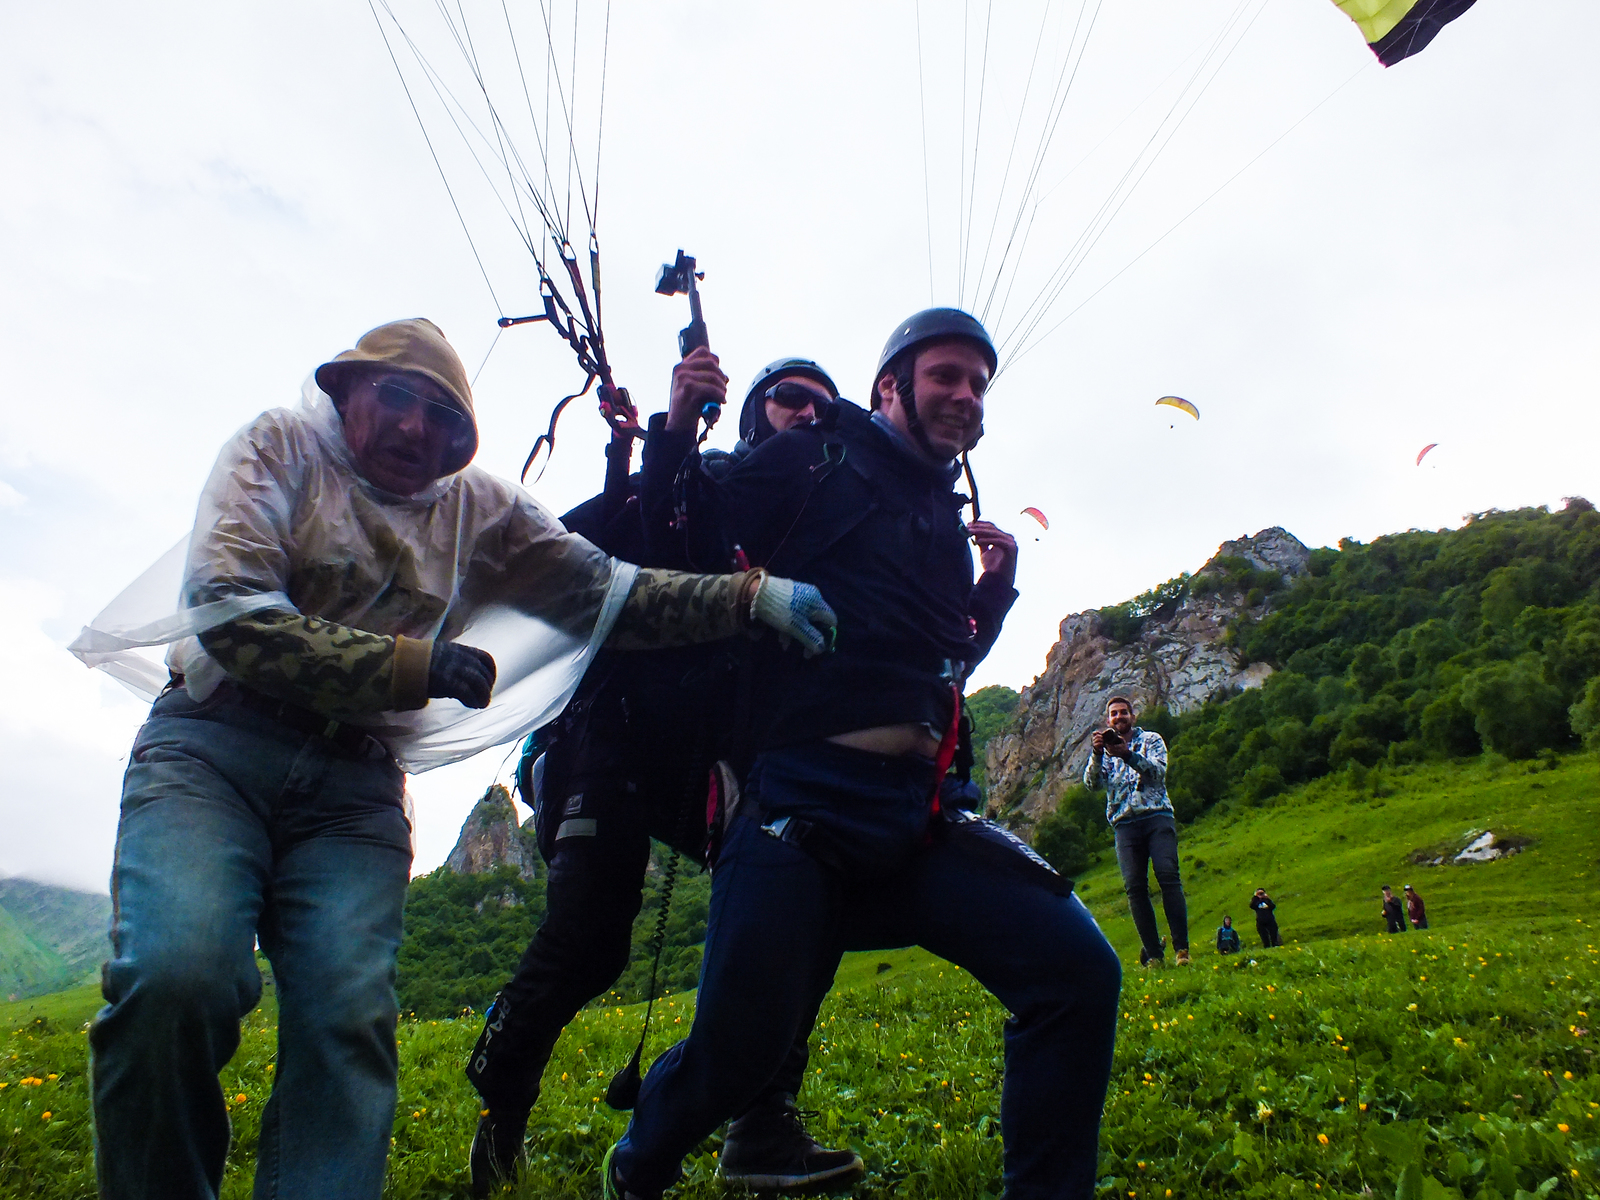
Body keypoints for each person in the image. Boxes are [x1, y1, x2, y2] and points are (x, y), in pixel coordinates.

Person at [80, 319, 838, 1200]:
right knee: (177, 977)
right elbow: (229, 610)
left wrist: (751, 597)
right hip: (214, 745)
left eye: (443, 416)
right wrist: (411, 664)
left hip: (355, 784)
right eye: (395, 398)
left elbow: (605, 589)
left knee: (346, 1020)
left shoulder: (479, 508)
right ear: (344, 392)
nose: (415, 428)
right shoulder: (276, 448)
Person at [601, 308, 1121, 1200]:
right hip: (803, 802)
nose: (966, 396)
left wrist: (991, 599)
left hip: (920, 815)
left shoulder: (941, 519)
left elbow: (943, 661)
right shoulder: (814, 454)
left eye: (978, 384)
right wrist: (677, 425)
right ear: (890, 387)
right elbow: (676, 535)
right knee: (738, 1049)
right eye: (945, 377)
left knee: (1077, 973)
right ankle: (642, 1159)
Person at [464, 354, 865, 1196]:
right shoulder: (691, 487)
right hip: (605, 736)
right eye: (792, 399)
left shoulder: (828, 533)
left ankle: (762, 1116)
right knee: (590, 939)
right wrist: (667, 433)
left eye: (828, 407)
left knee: (794, 896)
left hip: (706, 758)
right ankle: (503, 1108)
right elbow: (601, 553)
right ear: (754, 416)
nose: (811, 414)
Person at [1086, 696, 1189, 967]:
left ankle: (1182, 950)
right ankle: (1154, 955)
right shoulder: (1104, 751)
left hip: (1157, 816)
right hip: (1124, 824)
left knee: (1168, 876)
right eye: (1113, 714)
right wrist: (1098, 755)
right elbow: (1091, 785)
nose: (1118, 718)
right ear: (1108, 721)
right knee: (1135, 888)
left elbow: (1158, 772)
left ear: (1133, 716)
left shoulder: (1152, 740)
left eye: (1123, 713)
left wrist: (1128, 755)